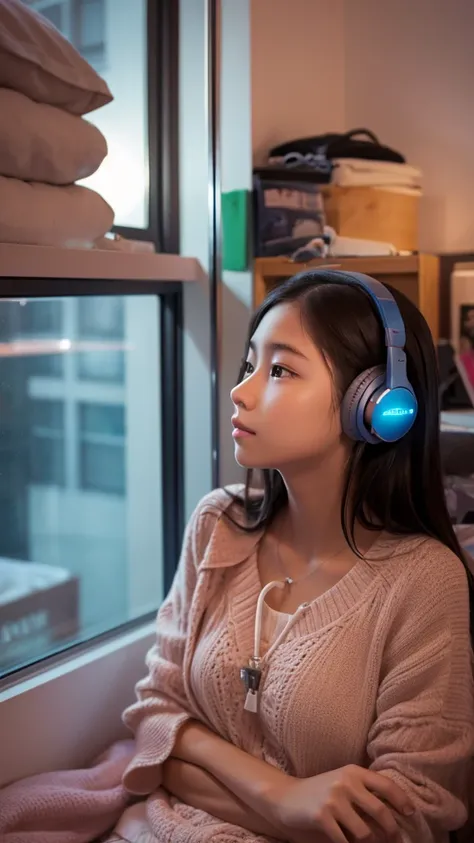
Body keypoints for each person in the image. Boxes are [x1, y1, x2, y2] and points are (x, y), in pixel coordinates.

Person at [119, 269, 474, 843]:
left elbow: (406, 818)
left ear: (379, 405)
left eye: (280, 369)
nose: (241, 391)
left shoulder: (425, 582)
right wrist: (282, 798)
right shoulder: (218, 524)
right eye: (249, 365)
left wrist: (196, 769)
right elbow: (156, 720)